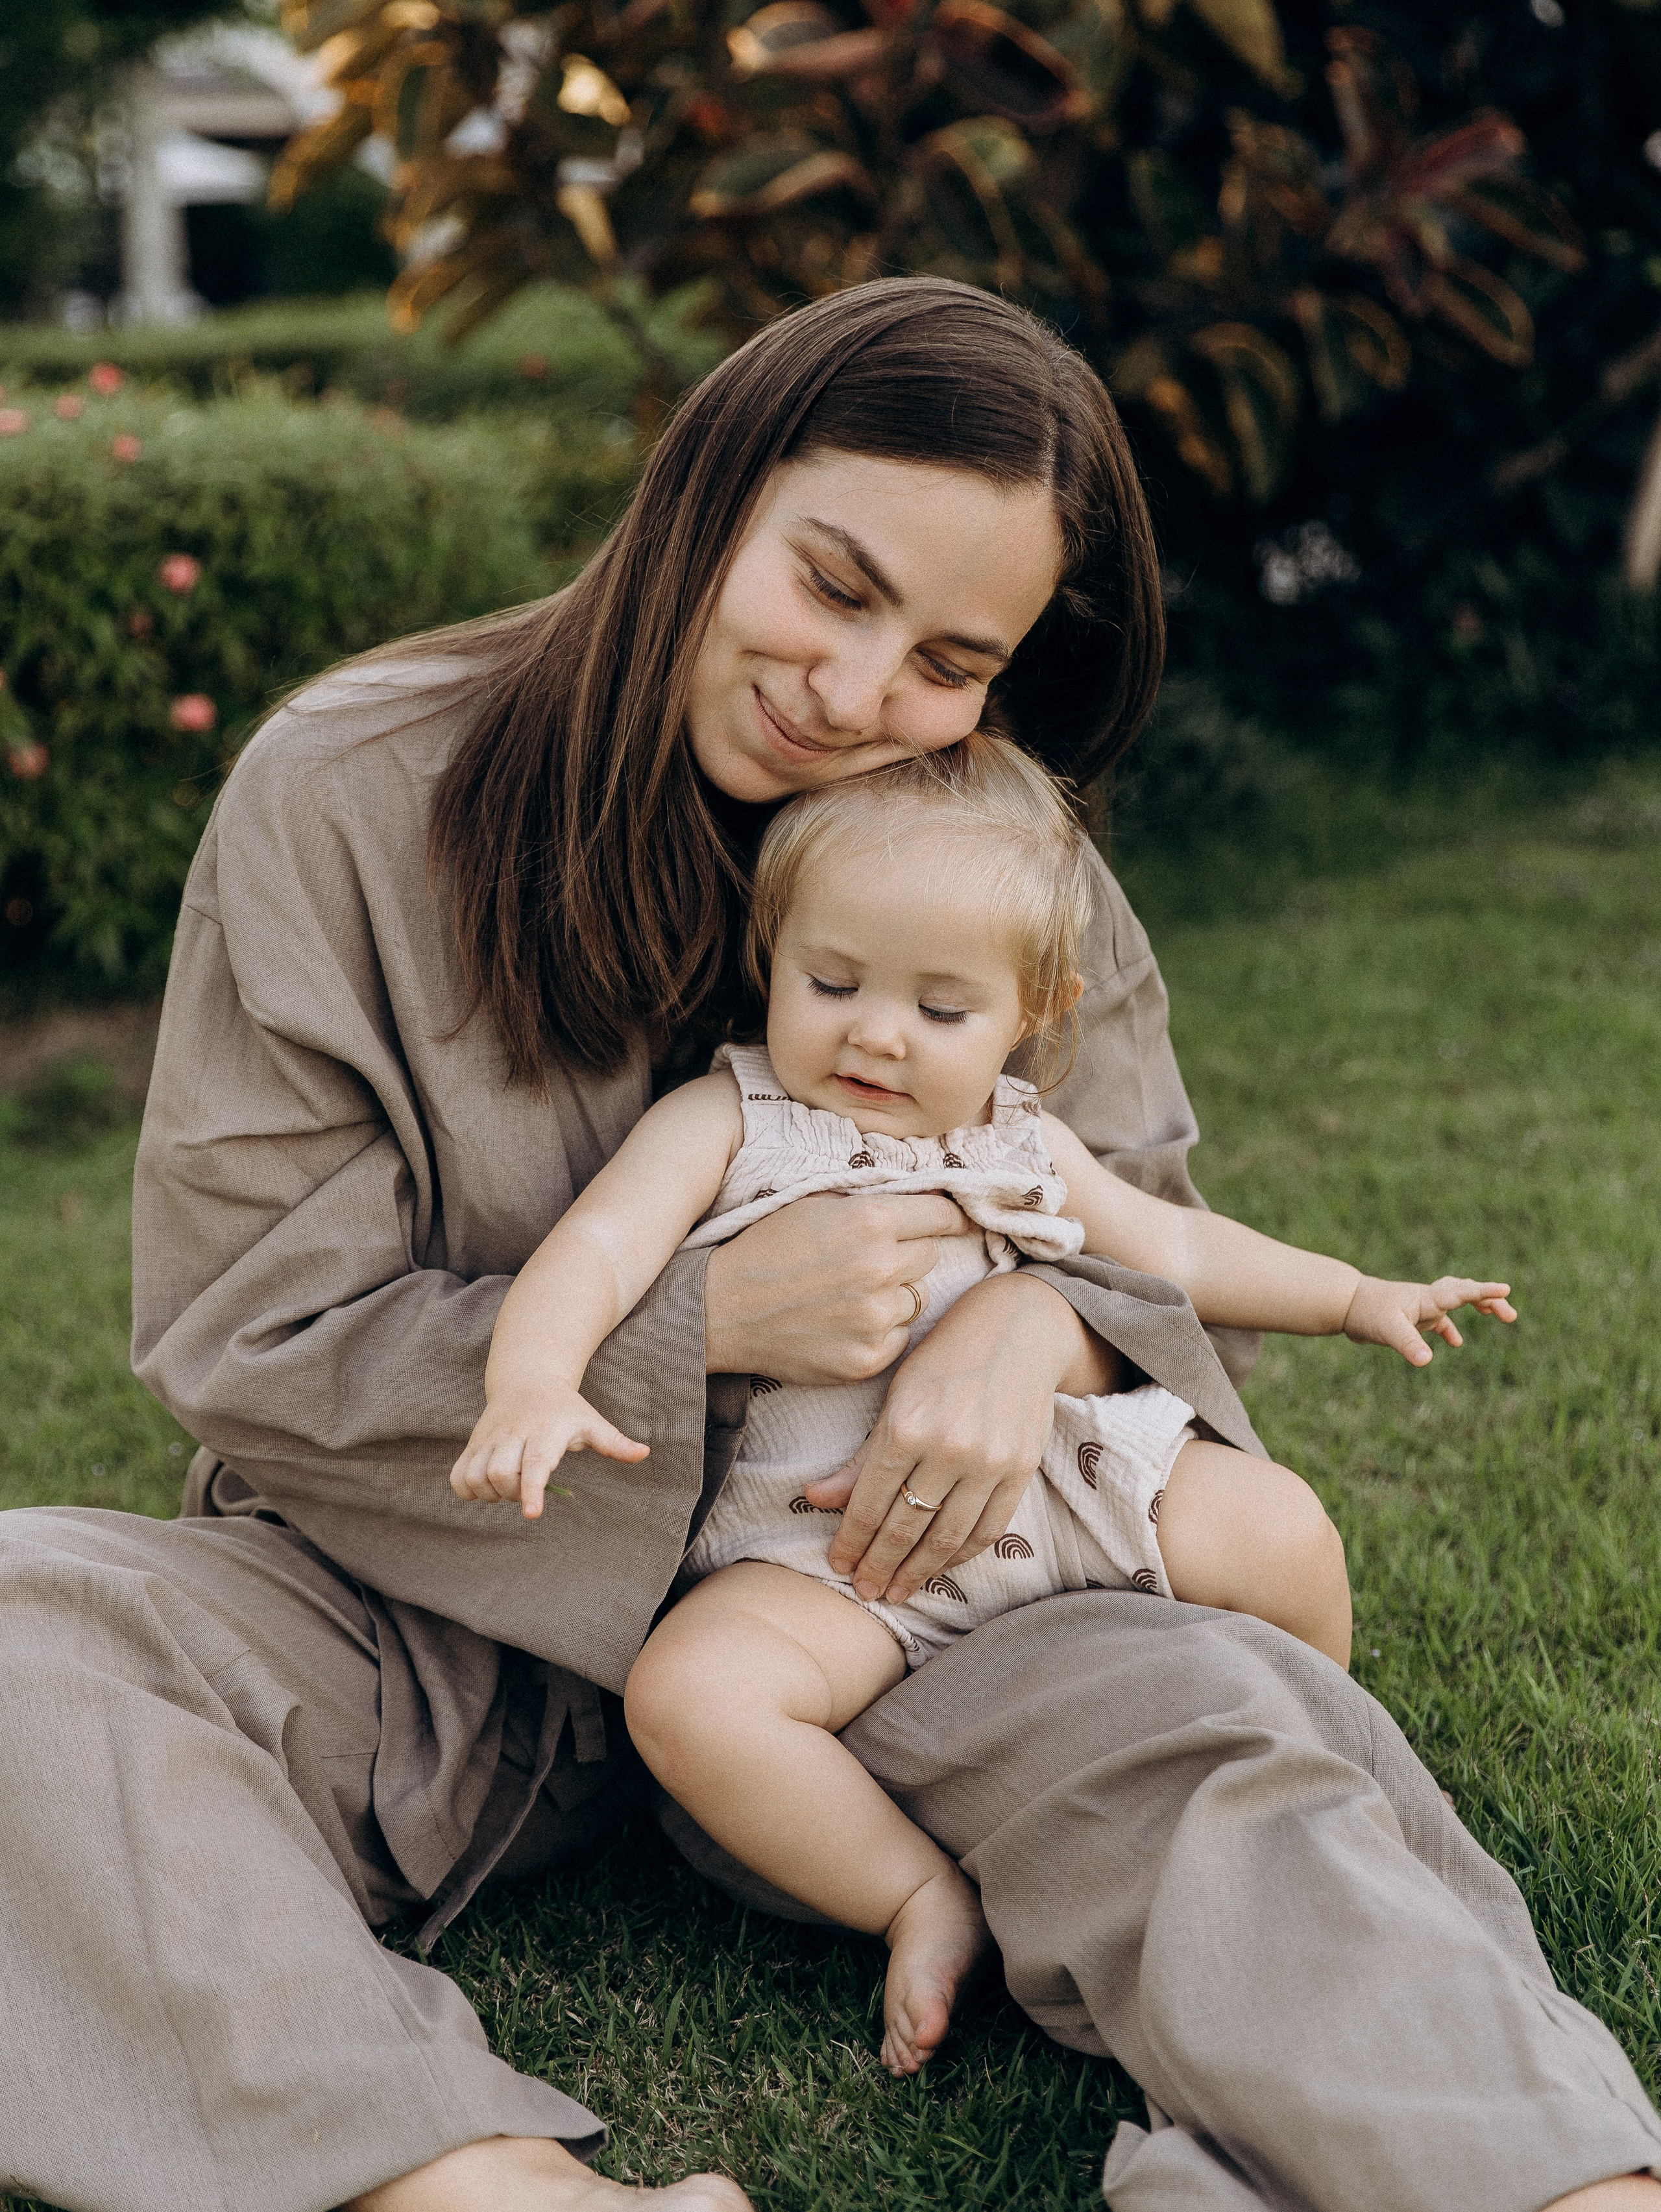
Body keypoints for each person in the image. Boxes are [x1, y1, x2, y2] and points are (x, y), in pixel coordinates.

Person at [0, 277, 1657, 2212]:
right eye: (834, 584)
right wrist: (689, 1333)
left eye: (954, 658)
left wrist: (1039, 1329)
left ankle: (1552, 2192)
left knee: (1231, 1720)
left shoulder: (996, 857)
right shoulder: (346, 790)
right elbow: (250, 1324)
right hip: (420, 1625)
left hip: (882, 1604)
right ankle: (481, 2194)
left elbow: (1151, 1231)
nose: (862, 697)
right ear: (709, 488)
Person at [451, 731, 1516, 2078]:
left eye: (940, 1010)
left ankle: (1333, 1770)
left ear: (1032, 1009)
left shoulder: (1022, 1137)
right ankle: (911, 1891)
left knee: (1282, 1529)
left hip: (1058, 1496)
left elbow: (1178, 1251)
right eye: (829, 980)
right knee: (690, 1694)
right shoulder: (730, 1118)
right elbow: (596, 1254)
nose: (874, 1032)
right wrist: (533, 1377)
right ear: (771, 954)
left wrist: (1359, 1291)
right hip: (826, 1561)